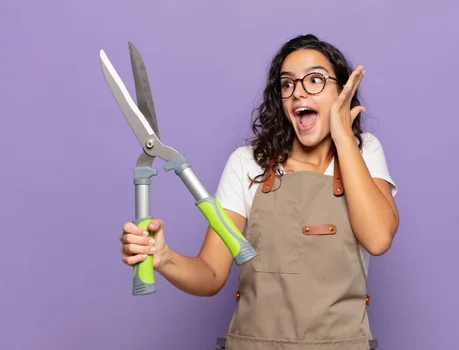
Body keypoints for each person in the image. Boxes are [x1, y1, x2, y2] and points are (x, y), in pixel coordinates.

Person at [119, 34, 399, 350]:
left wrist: (344, 136)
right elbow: (211, 273)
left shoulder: (364, 152)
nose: (299, 93)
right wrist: (164, 258)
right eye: (288, 84)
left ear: (341, 91)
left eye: (315, 80)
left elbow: (378, 238)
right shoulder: (247, 162)